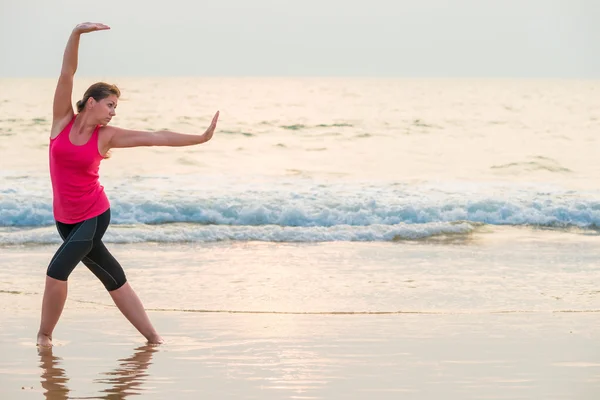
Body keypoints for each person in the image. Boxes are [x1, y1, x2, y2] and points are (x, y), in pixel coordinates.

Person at [38, 22, 219, 347]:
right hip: (64, 220)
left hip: (93, 215)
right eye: (110, 105)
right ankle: (153, 337)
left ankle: (44, 337)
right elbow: (67, 73)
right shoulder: (61, 121)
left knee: (56, 272)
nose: (113, 112)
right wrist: (76, 33)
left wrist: (200, 138)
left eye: (115, 108)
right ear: (90, 102)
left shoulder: (107, 137)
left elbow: (156, 137)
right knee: (114, 278)